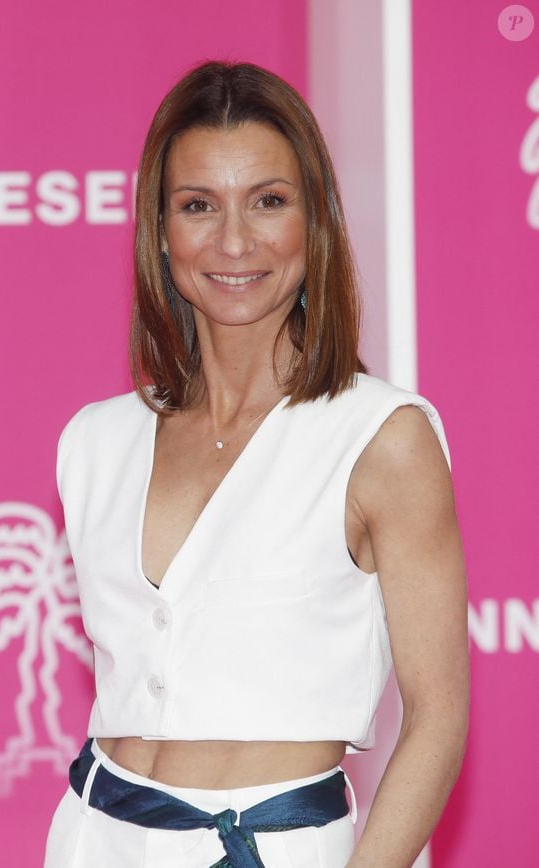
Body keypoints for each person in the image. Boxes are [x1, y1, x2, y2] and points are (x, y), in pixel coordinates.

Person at [43, 60, 469, 867]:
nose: (234, 241)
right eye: (198, 205)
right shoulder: (93, 442)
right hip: (92, 838)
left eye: (268, 201)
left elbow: (439, 718)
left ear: (316, 222)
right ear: (159, 231)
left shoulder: (382, 437)